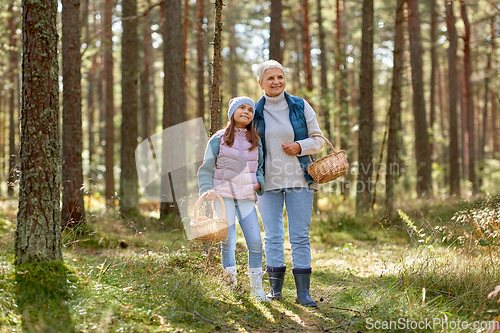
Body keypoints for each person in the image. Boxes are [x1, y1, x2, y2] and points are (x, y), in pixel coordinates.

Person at [253, 60, 324, 307]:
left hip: (300, 179)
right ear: (260, 83)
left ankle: (304, 294)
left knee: (300, 236)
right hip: (266, 182)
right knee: (272, 236)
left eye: (280, 77)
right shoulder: (254, 111)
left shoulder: (300, 106)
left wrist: (300, 146)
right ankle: (275, 290)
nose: (276, 82)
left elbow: (318, 140)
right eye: (270, 78)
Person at [197, 96, 268, 301]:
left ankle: (256, 289)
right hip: (223, 197)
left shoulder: (256, 141)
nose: (246, 112)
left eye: (250, 110)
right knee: (228, 240)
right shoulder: (218, 138)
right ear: (232, 112)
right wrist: (207, 190)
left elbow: (260, 168)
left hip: (246, 198)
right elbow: (206, 169)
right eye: (242, 108)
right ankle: (230, 285)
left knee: (255, 242)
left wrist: (258, 184)